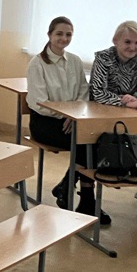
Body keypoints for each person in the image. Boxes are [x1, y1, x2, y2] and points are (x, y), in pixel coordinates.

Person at [26, 16, 108, 223]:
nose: (64, 38)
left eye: (68, 34)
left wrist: (76, 115)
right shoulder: (37, 64)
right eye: (59, 34)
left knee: (95, 139)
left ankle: (68, 187)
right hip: (45, 122)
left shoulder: (75, 61)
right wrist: (67, 115)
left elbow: (83, 92)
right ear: (49, 35)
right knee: (85, 143)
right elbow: (39, 102)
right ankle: (86, 198)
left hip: (74, 119)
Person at [90, 20, 137, 226]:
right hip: (103, 114)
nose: (132, 47)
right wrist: (125, 100)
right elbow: (97, 92)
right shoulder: (103, 58)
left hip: (131, 113)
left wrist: (135, 99)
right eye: (127, 42)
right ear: (115, 41)